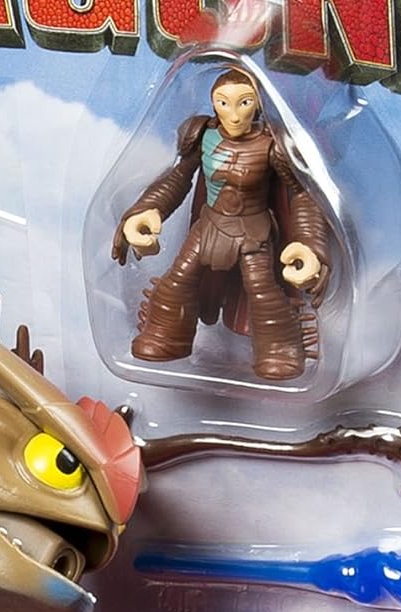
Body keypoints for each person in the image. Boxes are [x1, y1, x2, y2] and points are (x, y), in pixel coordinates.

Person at [111, 67, 333, 381]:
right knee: (178, 278)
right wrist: (148, 210)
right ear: (214, 103)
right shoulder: (202, 135)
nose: (234, 114)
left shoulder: (272, 146)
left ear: (257, 104)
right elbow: (177, 178)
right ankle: (165, 335)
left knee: (262, 289)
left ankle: (280, 349)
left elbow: (300, 194)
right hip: (209, 227)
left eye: (244, 102)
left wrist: (309, 245)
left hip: (253, 233)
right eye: (224, 102)